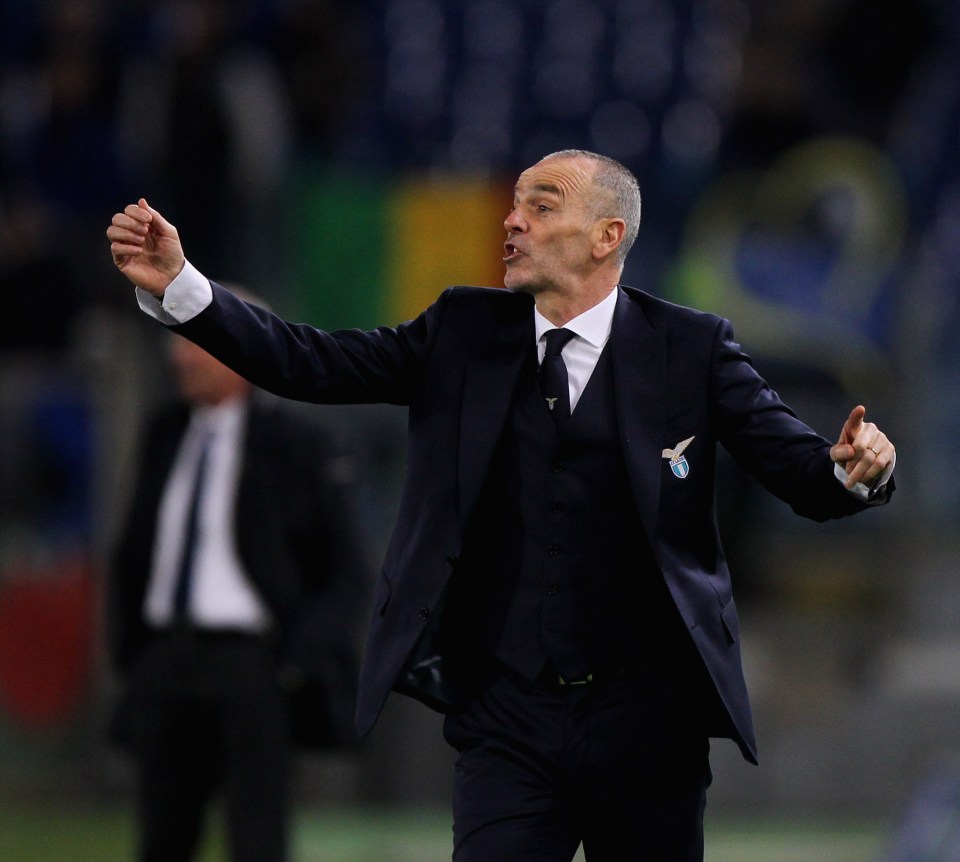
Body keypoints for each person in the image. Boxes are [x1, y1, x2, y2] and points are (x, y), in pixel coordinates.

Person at [107, 149, 896, 862]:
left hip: (650, 720)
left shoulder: (691, 347)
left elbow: (802, 472)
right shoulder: (461, 329)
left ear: (605, 235)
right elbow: (309, 363)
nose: (512, 220)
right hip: (507, 719)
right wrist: (185, 288)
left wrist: (857, 470)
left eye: (542, 204)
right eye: (516, 203)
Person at [106, 291, 371, 862]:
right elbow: (132, 550)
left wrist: (294, 663)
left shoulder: (297, 444)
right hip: (164, 659)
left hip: (255, 667)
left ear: (242, 348)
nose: (180, 359)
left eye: (195, 344)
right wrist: (132, 653)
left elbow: (347, 571)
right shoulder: (165, 430)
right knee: (161, 837)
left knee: (256, 837)